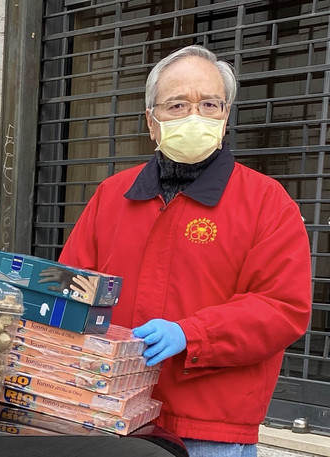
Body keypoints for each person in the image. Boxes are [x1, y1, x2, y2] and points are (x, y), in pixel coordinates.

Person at [57, 45, 312, 457]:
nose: (195, 116)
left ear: (225, 117)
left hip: (210, 430)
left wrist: (190, 333)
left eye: (209, 104)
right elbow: (72, 285)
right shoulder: (111, 196)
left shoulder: (266, 201)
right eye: (176, 105)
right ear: (151, 123)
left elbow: (282, 308)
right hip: (110, 415)